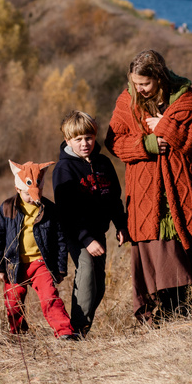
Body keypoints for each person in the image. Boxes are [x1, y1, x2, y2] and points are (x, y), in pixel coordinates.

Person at [105, 49, 192, 322]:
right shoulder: (127, 101)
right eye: (135, 83)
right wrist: (147, 144)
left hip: (185, 197)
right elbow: (113, 142)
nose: (139, 89)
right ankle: (172, 319)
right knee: (161, 262)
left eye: (145, 84)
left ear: (159, 78)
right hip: (148, 201)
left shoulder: (187, 99)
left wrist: (167, 127)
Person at [52, 110, 128, 337]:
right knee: (86, 275)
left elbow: (114, 198)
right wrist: (86, 239)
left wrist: (121, 224)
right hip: (77, 233)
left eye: (89, 138)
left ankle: (82, 328)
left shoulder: (103, 163)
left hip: (99, 232)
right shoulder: (64, 169)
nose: (85, 143)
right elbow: (66, 210)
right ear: (68, 141)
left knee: (98, 285)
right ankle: (74, 332)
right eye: (78, 139)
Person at [0, 160, 79, 340]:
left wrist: (60, 269)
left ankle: (64, 332)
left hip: (41, 263)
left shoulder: (49, 209)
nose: (33, 197)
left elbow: (60, 241)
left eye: (38, 192)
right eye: (27, 194)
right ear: (18, 189)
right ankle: (18, 333)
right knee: (13, 302)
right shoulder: (7, 208)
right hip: (14, 264)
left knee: (49, 297)